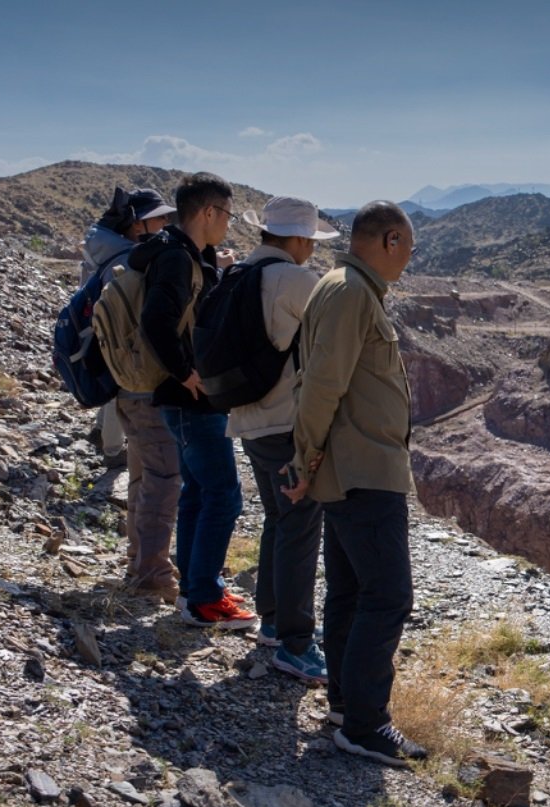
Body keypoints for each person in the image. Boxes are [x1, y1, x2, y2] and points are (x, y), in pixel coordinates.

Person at [283, 201, 425, 766]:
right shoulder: (350, 293)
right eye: (408, 248)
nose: (409, 260)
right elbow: (321, 384)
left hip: (352, 470)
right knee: (388, 598)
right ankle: (367, 725)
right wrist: (302, 458)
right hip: (364, 472)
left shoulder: (342, 286)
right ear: (389, 239)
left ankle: (345, 707)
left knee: (349, 593)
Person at [126, 172, 255, 628]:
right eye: (226, 213)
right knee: (224, 495)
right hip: (190, 399)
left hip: (182, 399)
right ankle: (203, 597)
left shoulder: (182, 254)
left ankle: (195, 592)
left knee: (199, 492)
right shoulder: (176, 259)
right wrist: (188, 373)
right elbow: (157, 321)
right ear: (207, 212)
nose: (227, 222)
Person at [228, 196, 339, 683]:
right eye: (310, 241)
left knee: (278, 517)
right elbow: (329, 348)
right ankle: (295, 644)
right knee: (299, 525)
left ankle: (272, 622)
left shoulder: (235, 276)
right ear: (296, 239)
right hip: (285, 422)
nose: (312, 249)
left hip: (247, 419)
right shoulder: (296, 280)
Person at [85, 188, 181, 600]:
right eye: (159, 220)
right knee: (162, 478)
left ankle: (140, 559)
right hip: (145, 384)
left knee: (143, 476)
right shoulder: (127, 263)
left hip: (124, 385)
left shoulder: (102, 257)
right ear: (137, 223)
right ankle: (151, 574)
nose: (165, 228)